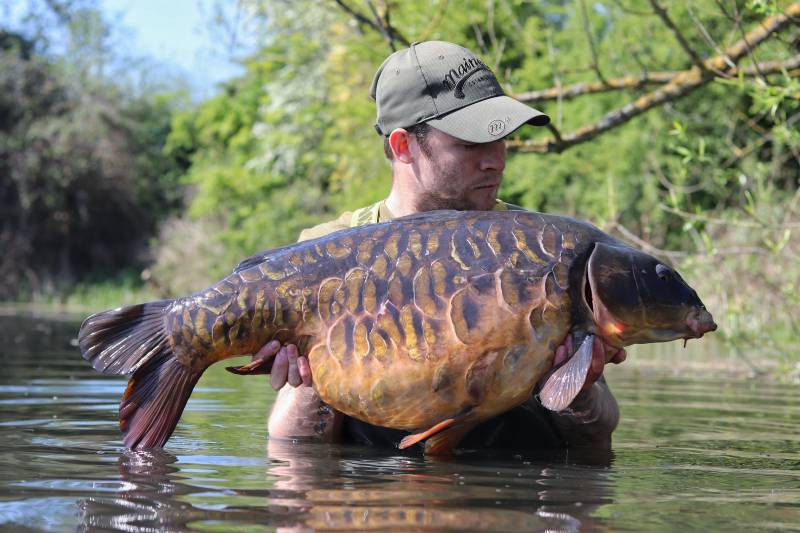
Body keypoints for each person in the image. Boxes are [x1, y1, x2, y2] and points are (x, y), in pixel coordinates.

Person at [257, 41, 625, 451]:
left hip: (518, 500)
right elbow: (292, 449)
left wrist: (580, 388)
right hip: (376, 502)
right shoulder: (324, 255)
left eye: (501, 138)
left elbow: (598, 437)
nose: (496, 161)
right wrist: (312, 386)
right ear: (403, 146)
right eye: (470, 145)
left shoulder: (537, 247)